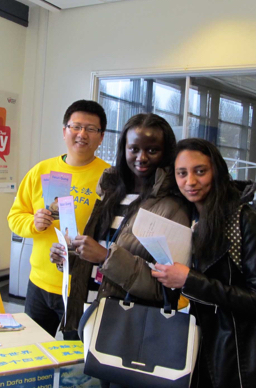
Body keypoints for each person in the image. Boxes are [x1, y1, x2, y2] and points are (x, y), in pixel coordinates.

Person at [152, 138, 256, 388]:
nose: (190, 181)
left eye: (200, 171)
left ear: (217, 171)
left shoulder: (245, 221)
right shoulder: (185, 217)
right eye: (182, 173)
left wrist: (189, 280)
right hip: (196, 344)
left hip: (239, 353)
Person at [49, 113, 190, 359]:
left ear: (166, 153)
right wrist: (70, 258)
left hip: (128, 329)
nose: (141, 157)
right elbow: (97, 258)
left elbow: (164, 290)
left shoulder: (174, 206)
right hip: (86, 312)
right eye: (133, 148)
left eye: (152, 150)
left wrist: (106, 256)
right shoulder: (110, 192)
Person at [7, 100, 110, 339]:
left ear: (101, 137)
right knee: (34, 351)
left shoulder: (110, 178)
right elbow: (15, 217)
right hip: (40, 283)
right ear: (64, 131)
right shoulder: (40, 170)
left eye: (91, 129)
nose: (82, 134)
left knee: (78, 358)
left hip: (85, 288)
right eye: (76, 126)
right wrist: (34, 222)